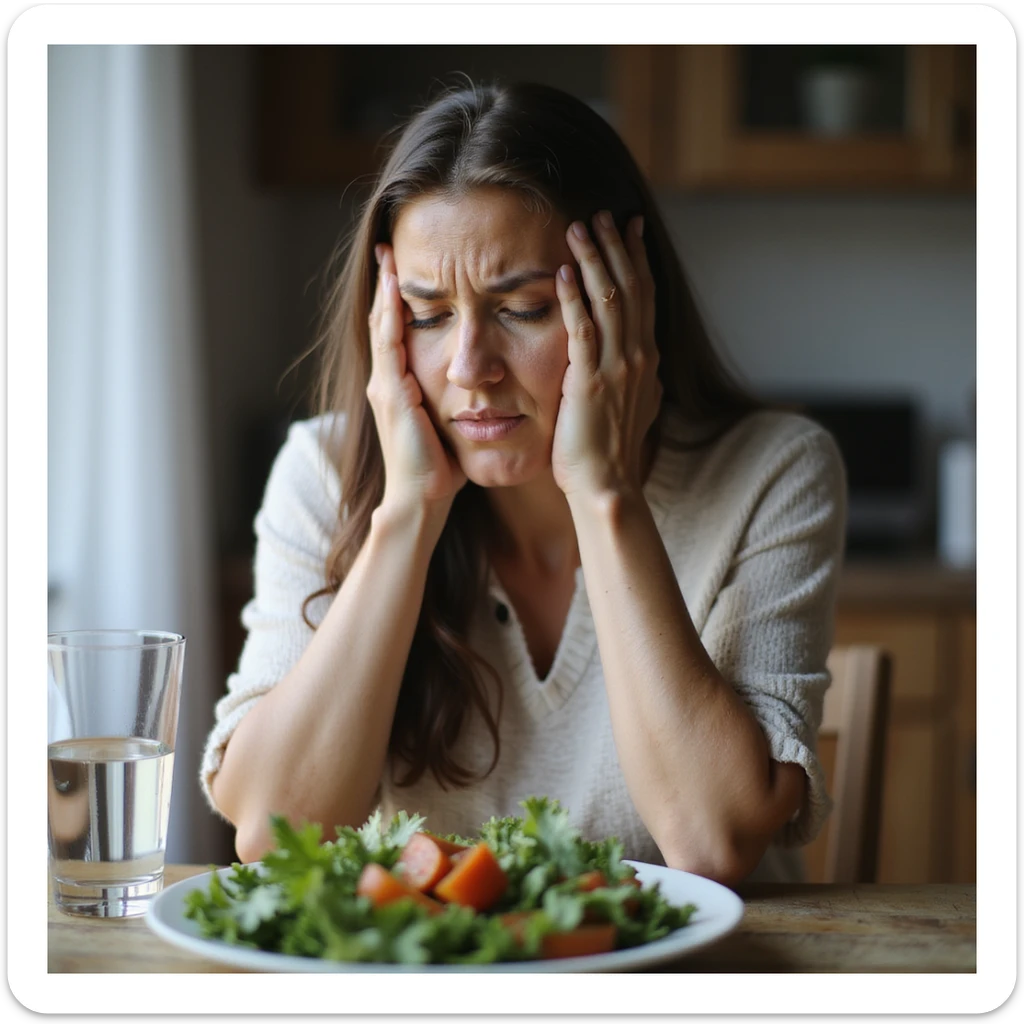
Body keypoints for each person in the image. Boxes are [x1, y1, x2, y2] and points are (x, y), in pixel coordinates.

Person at [200, 81, 846, 886]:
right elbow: (271, 830)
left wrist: (605, 493)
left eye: (526, 308)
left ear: (626, 306)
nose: (469, 369)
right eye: (429, 315)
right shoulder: (322, 473)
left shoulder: (773, 471)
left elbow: (712, 844)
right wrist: (407, 514)